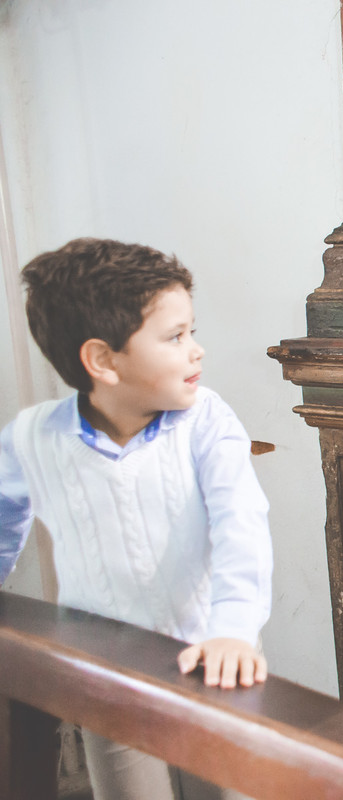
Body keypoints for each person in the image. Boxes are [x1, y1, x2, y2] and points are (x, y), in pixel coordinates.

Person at [0, 239, 272, 800]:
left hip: (208, 663)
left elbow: (240, 523)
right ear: (102, 360)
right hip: (107, 677)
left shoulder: (207, 421)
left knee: (219, 790)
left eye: (191, 331)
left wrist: (234, 629)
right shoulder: (33, 437)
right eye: (175, 337)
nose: (196, 351)